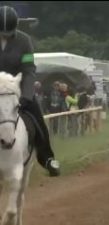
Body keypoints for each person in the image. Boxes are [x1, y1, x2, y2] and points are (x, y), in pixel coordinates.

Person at [0, 6, 60, 176]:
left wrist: (26, 95)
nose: (5, 35)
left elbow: (28, 70)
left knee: (38, 119)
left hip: (18, 90)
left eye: (8, 32)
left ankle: (48, 158)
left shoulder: (25, 41)